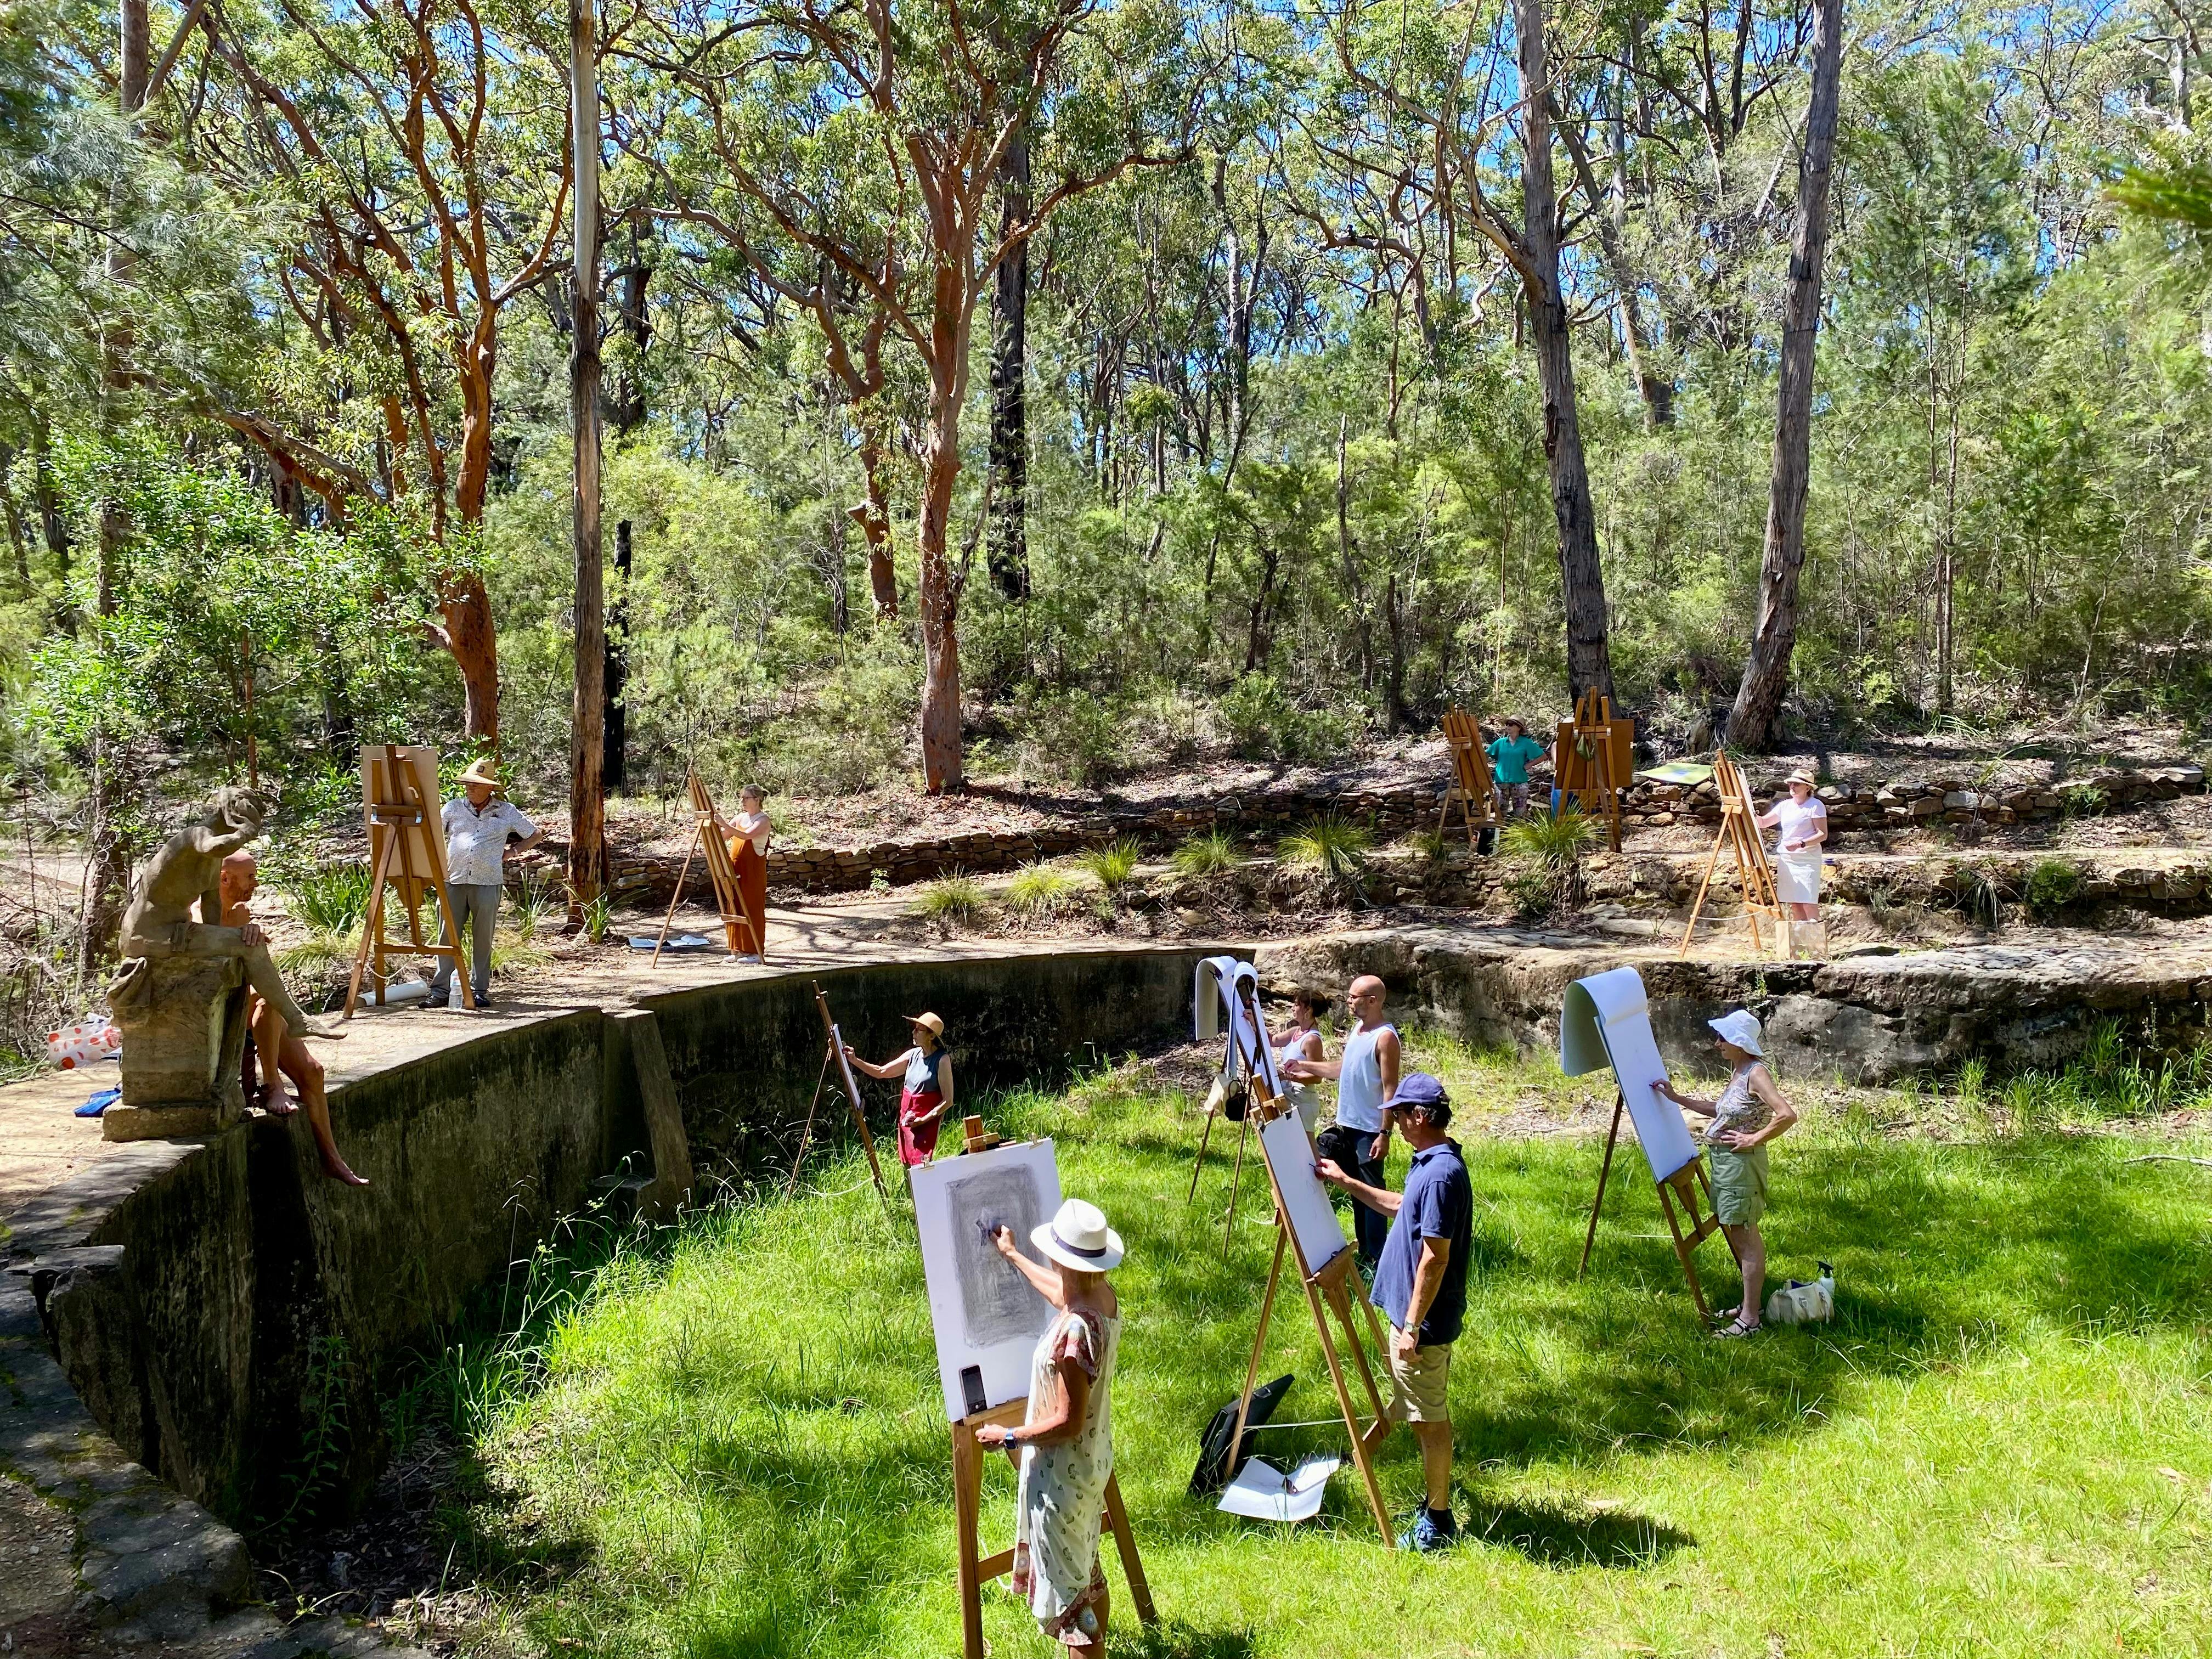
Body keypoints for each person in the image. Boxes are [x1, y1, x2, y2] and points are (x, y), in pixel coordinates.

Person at [1317, 1073, 1470, 1553]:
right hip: (1412, 1322)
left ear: (1421, 1117)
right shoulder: (1428, 1165)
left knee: (1429, 1419)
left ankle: (1439, 1520)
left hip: (1421, 1327)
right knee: (1419, 1410)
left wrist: (1410, 1325)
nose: (1397, 1122)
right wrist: (1346, 1182)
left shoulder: (1443, 1173)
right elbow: (1403, 1208)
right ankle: (1432, 1504)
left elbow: (1435, 1255)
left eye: (1402, 1115)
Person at [975, 1198, 1124, 1658]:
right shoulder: (1102, 1299)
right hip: (1090, 1468)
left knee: (1074, 1616)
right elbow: (1064, 1296)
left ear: (1063, 1260)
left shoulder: (1075, 1332)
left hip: (1061, 1482)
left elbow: (1067, 1420)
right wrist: (1013, 1256)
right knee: (1087, 1577)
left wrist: (1010, 1437)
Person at [217, 852, 366, 1186]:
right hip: (220, 1013)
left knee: (314, 1072)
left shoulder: (241, 912)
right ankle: (273, 1085)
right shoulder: (200, 915)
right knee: (266, 1000)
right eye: (250, 878)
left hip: (253, 1008)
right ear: (225, 879)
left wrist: (252, 930)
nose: (256, 884)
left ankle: (332, 1158)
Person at [1650, 1009, 1799, 1339]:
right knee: (1737, 1232)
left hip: (1741, 1165)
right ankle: (1751, 1305)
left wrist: (1753, 1138)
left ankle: (1750, 1320)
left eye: (1723, 1038)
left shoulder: (1756, 1074)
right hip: (1727, 1164)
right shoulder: (1739, 1072)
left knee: (1745, 1238)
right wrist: (1677, 1098)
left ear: (1740, 1043)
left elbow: (1787, 1115)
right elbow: (1721, 1111)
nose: (1717, 1043)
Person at [1281, 974, 1398, 1273]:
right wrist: (1303, 1065)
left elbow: (1390, 1089)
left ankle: (1377, 1258)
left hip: (1370, 1129)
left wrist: (1385, 1133)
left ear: (1372, 1001)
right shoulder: (1358, 1030)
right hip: (1347, 1125)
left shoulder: (1385, 1037)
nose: (1349, 1001)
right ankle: (1366, 1253)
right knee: (1356, 1189)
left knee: (1371, 1190)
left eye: (1354, 996)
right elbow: (1340, 1069)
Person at [431, 759, 544, 1011]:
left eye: (476, 784)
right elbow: (433, 836)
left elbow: (535, 834)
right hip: (454, 879)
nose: (470, 788)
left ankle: (478, 990)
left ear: (489, 788)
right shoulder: (452, 808)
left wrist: (514, 851)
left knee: (483, 938)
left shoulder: (506, 811)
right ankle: (440, 991)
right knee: (447, 936)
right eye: (468, 783)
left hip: (487, 882)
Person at [846, 1012, 954, 1166]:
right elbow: (881, 1072)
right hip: (907, 1120)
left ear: (931, 1036)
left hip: (926, 1123)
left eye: (919, 1030)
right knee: (908, 1165)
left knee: (923, 1166)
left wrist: (923, 1120)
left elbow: (948, 1100)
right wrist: (854, 1060)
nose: (913, 1032)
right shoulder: (912, 1054)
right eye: (914, 1028)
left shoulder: (942, 1060)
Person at [1757, 768, 1827, 957]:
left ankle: (1816, 949)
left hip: (1807, 858)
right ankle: (1800, 948)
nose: (1792, 787)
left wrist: (1802, 843)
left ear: (1807, 787)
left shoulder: (1816, 805)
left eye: (1796, 784)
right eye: (1791, 784)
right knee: (1795, 903)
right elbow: (1763, 823)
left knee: (1808, 902)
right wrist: (1748, 812)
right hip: (1787, 859)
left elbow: (1823, 834)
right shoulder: (1785, 805)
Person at [722, 785, 772, 963]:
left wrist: (724, 823)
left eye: (746, 798)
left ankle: (755, 952)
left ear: (757, 800)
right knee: (735, 907)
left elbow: (746, 836)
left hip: (752, 873)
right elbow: (723, 836)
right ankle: (738, 950)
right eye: (741, 797)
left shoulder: (763, 820)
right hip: (735, 871)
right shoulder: (740, 818)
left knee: (752, 909)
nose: (742, 801)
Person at [1269, 988, 1327, 1136]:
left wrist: (1286, 1076)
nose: (1293, 1008)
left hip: (1302, 1100)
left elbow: (1316, 1078)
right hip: (1290, 1096)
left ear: (1308, 1010)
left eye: (1297, 1004)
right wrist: (1253, 1020)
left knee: (1306, 1151)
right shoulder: (1297, 1031)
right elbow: (1272, 1040)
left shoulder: (1312, 1040)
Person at [1485, 716, 1551, 817]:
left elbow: (1542, 756)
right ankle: (1500, 832)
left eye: (1511, 724)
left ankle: (1518, 832)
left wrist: (1529, 765)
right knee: (1499, 813)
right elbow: (1485, 755)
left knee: (1520, 814)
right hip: (1501, 782)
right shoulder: (1500, 743)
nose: (1508, 726)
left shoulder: (1526, 743)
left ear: (1519, 728)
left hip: (1519, 781)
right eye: (1507, 724)